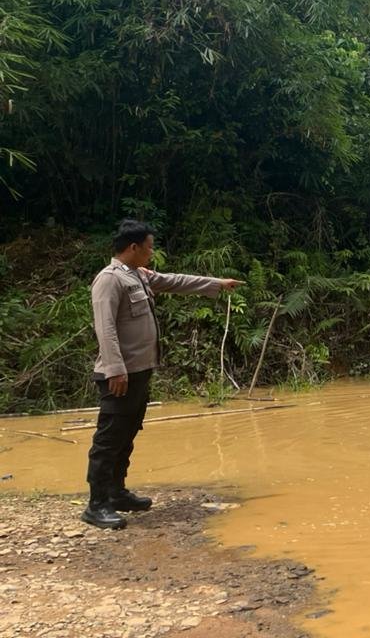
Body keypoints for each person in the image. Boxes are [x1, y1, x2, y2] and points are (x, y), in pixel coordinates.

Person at [82, 219, 243, 530]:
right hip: (120, 374)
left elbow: (175, 281)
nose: (151, 254)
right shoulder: (109, 280)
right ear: (133, 248)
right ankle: (96, 504)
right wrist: (115, 369)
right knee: (109, 438)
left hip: (140, 371)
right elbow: (105, 328)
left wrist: (217, 284)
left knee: (127, 434)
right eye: (149, 248)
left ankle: (116, 493)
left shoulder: (138, 275)